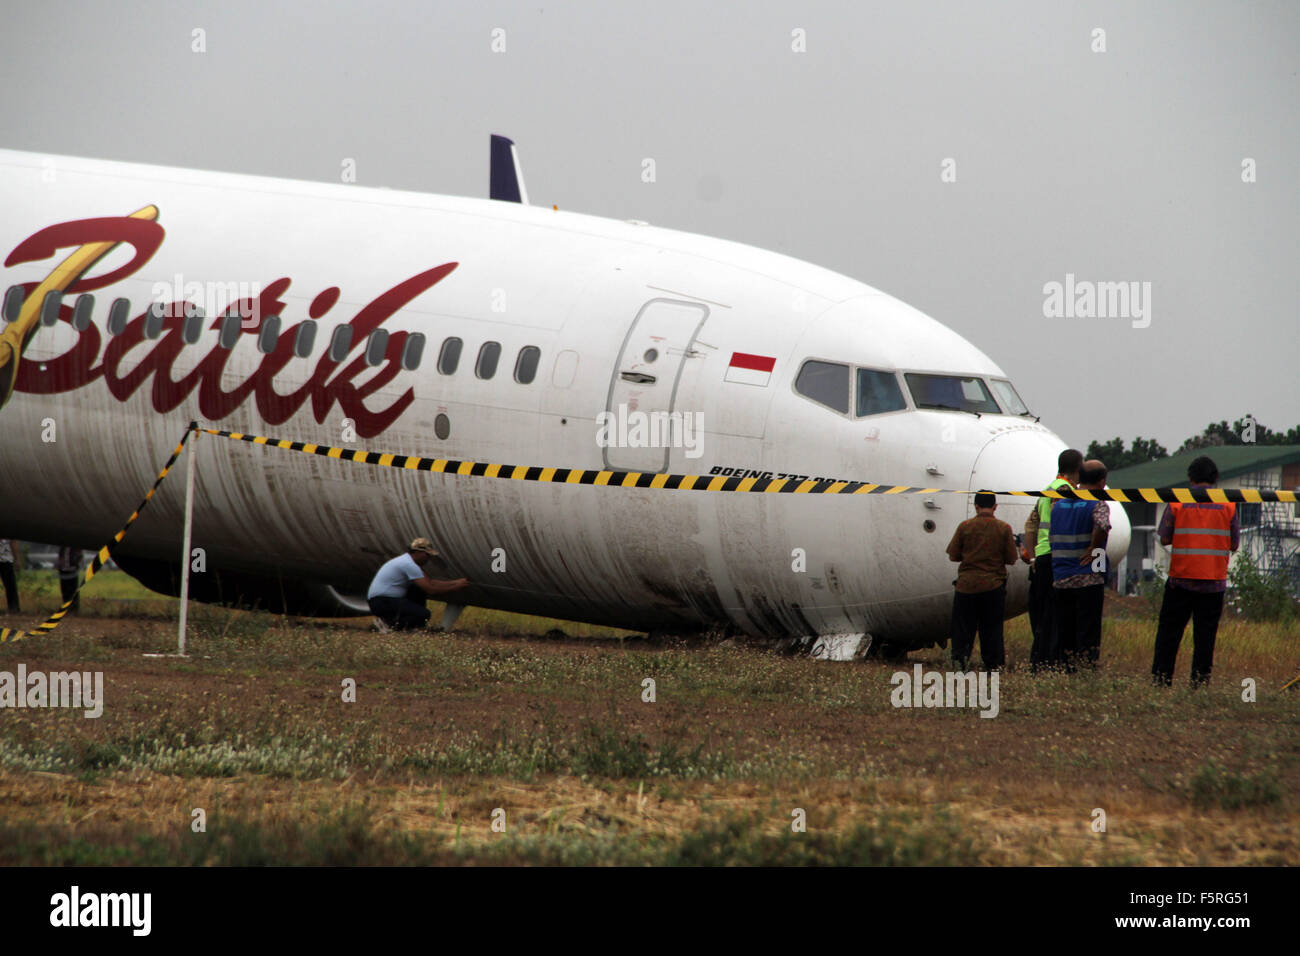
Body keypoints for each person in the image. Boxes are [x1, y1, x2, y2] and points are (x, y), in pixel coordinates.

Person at [1151, 456, 1239, 687]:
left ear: (1190, 478)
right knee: (1205, 638)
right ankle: (1199, 683)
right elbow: (1234, 544)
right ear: (1215, 478)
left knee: (1169, 634)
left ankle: (1161, 680)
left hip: (1180, 581)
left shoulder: (1178, 502)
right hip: (1213, 583)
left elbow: (1164, 536)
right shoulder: (1228, 504)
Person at [1021, 449, 1083, 671]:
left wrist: (1033, 557)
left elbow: (1030, 525)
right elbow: (1062, 519)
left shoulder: (1047, 489)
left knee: (1041, 613)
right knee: (1055, 614)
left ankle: (1039, 661)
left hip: (1043, 557)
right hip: (1058, 557)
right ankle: (1050, 661)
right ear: (1077, 470)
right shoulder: (1064, 491)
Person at [945, 491, 1018, 669]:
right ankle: (993, 665)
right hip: (993, 587)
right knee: (991, 629)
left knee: (963, 629)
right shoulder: (1004, 528)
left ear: (975, 506)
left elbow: (953, 555)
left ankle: (959, 662)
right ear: (995, 507)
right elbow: (1011, 558)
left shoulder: (965, 527)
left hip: (966, 587)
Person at [1048, 460, 1110, 671]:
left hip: (1061, 577)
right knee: (1087, 630)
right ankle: (1085, 669)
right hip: (1088, 577)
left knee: (1064, 629)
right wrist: (1094, 547)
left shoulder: (1058, 505)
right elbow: (1102, 526)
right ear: (1102, 482)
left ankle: (1065, 668)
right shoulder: (1098, 503)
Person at [367, 537, 469, 631]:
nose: (428, 558)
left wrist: (456, 582)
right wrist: (456, 587)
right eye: (427, 555)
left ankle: (410, 625)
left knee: (418, 590)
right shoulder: (409, 564)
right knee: (424, 614)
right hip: (382, 602)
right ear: (417, 552)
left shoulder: (407, 561)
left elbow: (430, 582)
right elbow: (431, 589)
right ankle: (388, 624)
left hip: (381, 601)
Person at [55, 547, 83, 613]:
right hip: (63, 570)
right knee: (65, 590)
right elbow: (60, 557)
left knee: (73, 591)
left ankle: (74, 609)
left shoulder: (75, 548)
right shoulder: (63, 548)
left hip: (72, 570)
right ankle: (67, 608)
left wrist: (76, 564)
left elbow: (80, 556)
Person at [0, 539, 19, 614]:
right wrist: (17, 559)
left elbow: (14, 542)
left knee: (10, 586)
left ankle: (13, 608)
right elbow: (14, 543)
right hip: (6, 559)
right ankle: (13, 608)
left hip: (6, 559)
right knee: (10, 586)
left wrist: (17, 559)